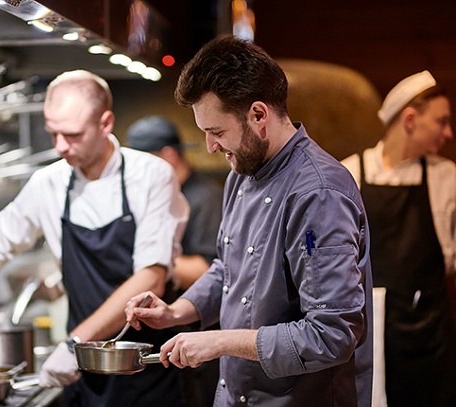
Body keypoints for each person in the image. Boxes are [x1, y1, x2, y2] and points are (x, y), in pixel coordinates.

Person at [123, 35, 373, 407]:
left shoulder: (319, 193)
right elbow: (228, 269)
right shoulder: (240, 174)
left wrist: (220, 341)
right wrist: (177, 312)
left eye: (217, 132)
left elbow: (331, 335)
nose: (210, 146)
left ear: (258, 115)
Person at [0, 69, 189, 407]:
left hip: (143, 365)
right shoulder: (49, 183)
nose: (59, 146)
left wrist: (75, 343)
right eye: (53, 133)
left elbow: (150, 278)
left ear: (106, 123)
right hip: (80, 369)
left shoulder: (152, 176)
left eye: (72, 134)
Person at [341, 70, 456, 406]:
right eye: (441, 122)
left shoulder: (446, 178)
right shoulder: (349, 174)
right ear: (409, 119)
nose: (448, 133)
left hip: (430, 336)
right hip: (367, 333)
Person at [126, 115, 224, 406]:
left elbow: (209, 269)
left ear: (168, 156)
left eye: (144, 162)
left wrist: (152, 260)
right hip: (173, 337)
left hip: (203, 339)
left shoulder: (206, 198)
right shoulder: (158, 198)